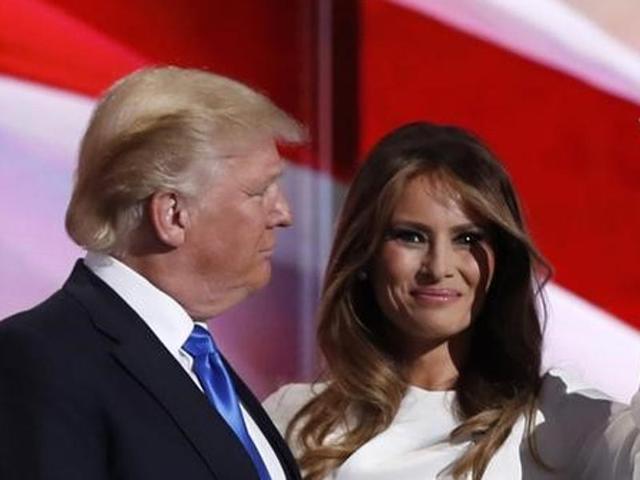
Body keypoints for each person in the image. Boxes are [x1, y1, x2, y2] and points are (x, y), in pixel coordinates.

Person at [264, 122, 640, 479]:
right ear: (366, 253)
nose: (438, 267)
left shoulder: (558, 417)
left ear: (502, 258)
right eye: (411, 236)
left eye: (468, 239)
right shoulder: (294, 419)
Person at [0, 66, 306, 480]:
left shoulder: (195, 359)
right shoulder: (40, 361)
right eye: (258, 193)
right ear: (172, 214)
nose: (283, 214)